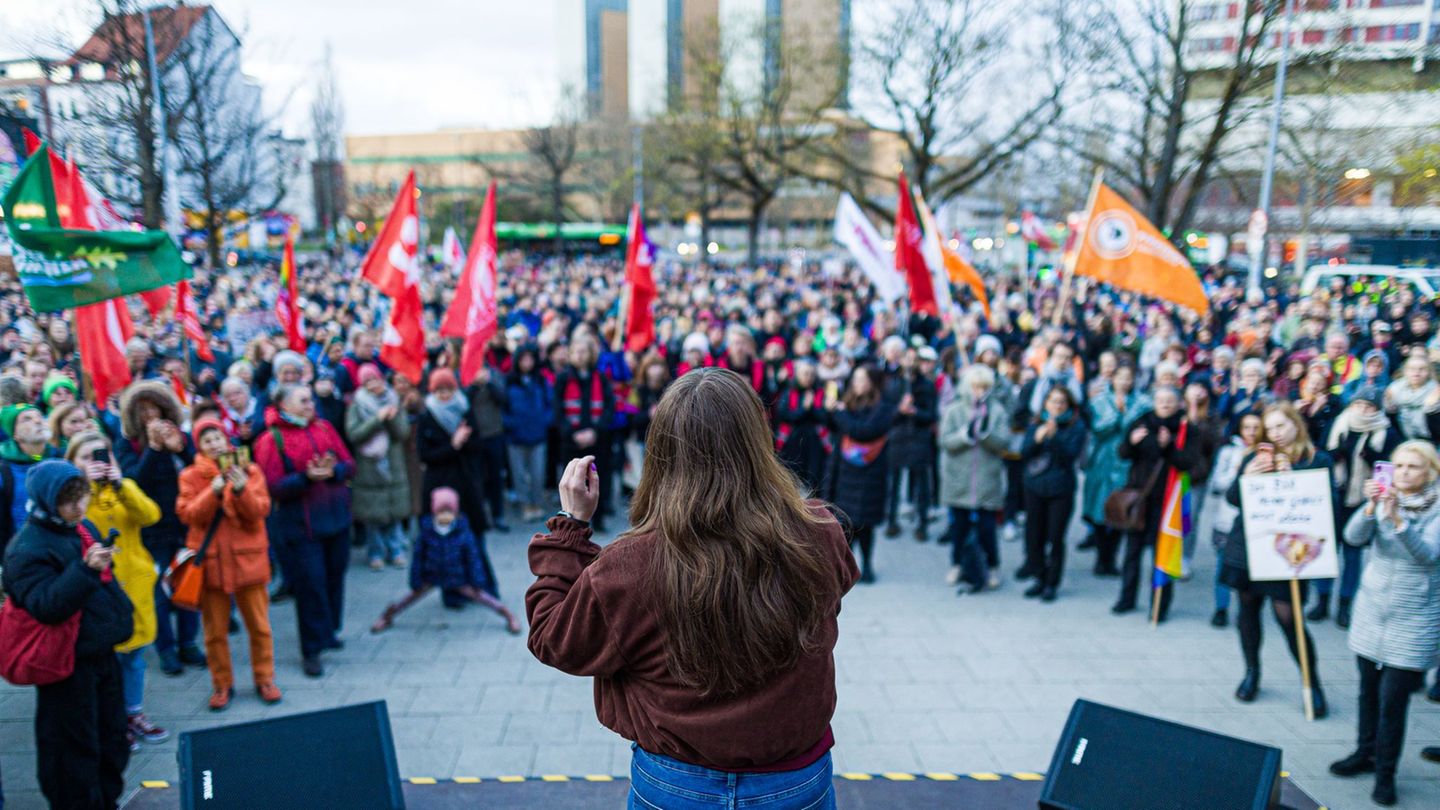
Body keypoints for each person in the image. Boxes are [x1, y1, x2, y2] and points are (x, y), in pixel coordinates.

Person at [526, 368, 856, 810]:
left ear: (662, 453)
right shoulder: (819, 531)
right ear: (758, 443)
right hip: (795, 780)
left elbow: (555, 639)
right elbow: (835, 590)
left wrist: (571, 526)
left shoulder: (629, 567)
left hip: (678, 783)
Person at [2, 460, 133, 809]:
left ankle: (106, 800)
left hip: (99, 653)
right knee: (72, 751)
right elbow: (46, 606)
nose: (79, 507)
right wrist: (85, 570)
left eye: (82, 496)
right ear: (48, 500)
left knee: (112, 738)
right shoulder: (26, 548)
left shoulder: (80, 527)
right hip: (65, 665)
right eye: (68, 500)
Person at [1329, 440, 1440, 807]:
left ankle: (1385, 773)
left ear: (1430, 472)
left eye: (1413, 466)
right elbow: (1352, 538)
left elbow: (1429, 556)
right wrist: (1371, 507)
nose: (1404, 472)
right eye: (1399, 465)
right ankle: (1364, 752)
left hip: (1415, 616)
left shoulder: (1436, 508)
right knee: (1368, 691)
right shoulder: (1384, 498)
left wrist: (1398, 521)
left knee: (1393, 700)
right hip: (1373, 610)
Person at [1219, 402, 1332, 718]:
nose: (1276, 434)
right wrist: (1247, 476)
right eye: (1269, 429)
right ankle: (1251, 672)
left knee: (1289, 617)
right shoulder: (1255, 457)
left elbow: (1324, 506)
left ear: (1296, 424)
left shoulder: (1316, 459)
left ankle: (1311, 683)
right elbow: (1232, 499)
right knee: (1247, 610)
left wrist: (1292, 478)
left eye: (1281, 426)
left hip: (1288, 553)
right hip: (1250, 546)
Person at [64, 430, 167, 752]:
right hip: (99, 591)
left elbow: (151, 515)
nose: (97, 462)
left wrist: (120, 484)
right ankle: (112, 723)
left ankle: (134, 713)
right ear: (72, 463)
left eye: (102, 455)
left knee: (135, 657)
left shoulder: (125, 487)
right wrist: (87, 485)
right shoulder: (72, 498)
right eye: (87, 457)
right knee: (106, 665)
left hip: (135, 585)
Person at [176, 416, 281, 710]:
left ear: (227, 439)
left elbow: (260, 510)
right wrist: (213, 491)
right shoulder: (190, 476)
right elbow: (188, 514)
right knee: (214, 632)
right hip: (211, 564)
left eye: (218, 438)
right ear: (199, 446)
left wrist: (240, 490)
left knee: (260, 627)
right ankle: (221, 684)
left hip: (248, 561)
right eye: (207, 440)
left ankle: (265, 679)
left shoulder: (250, 470)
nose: (214, 444)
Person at [254, 383, 355, 678]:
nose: (311, 404)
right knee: (311, 585)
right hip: (301, 526)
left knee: (335, 576)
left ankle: (329, 631)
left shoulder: (324, 428)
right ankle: (311, 649)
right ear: (284, 406)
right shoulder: (271, 440)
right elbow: (272, 486)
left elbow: (350, 464)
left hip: (336, 517)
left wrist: (334, 471)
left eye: (311, 400)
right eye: (304, 400)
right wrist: (306, 478)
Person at [115, 381, 203, 677]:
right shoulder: (127, 444)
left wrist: (182, 449)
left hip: (184, 524)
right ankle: (166, 648)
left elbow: (199, 471)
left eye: (155, 408)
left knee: (188, 582)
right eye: (143, 410)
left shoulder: (181, 436)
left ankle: (188, 642)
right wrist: (153, 449)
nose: (150, 416)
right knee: (159, 592)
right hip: (151, 530)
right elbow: (133, 483)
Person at [370, 487, 521, 634]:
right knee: (409, 598)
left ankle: (507, 614)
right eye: (441, 511)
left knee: (483, 597)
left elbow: (473, 558)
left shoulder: (463, 531)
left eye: (449, 511)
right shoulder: (427, 531)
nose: (445, 515)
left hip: (458, 577)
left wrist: (476, 581)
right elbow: (418, 558)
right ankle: (388, 615)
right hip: (432, 576)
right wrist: (416, 579)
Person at [1315, 385, 1400, 627]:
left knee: (1352, 554)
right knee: (1327, 551)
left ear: (1377, 409)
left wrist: (1371, 457)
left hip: (1362, 501)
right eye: (1358, 404)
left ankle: (1345, 604)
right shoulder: (1339, 423)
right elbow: (1321, 453)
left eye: (1369, 406)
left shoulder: (1387, 432)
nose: (1362, 410)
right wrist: (1335, 454)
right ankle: (1322, 600)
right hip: (1333, 496)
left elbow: (1390, 467)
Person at [1112, 387, 1200, 621]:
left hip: (1168, 502)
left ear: (1179, 403)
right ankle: (1126, 599)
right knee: (1132, 552)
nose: (1165, 404)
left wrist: (1168, 447)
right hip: (1139, 500)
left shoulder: (1186, 429)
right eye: (1160, 400)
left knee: (1161, 555)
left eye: (1170, 400)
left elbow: (1188, 462)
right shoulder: (1141, 422)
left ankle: (1159, 606)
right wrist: (1131, 442)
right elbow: (1122, 453)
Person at [416, 368, 501, 603]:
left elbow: (478, 446)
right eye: (439, 390)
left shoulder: (465, 409)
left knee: (474, 537)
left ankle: (483, 585)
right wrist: (453, 444)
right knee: (445, 540)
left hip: (466, 484)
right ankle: (452, 592)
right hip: (440, 487)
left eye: (448, 389)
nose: (444, 394)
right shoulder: (427, 416)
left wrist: (465, 441)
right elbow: (425, 455)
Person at [939, 363, 1010, 593]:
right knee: (958, 527)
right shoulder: (954, 410)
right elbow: (944, 441)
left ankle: (993, 565)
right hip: (959, 479)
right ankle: (957, 564)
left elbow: (1004, 443)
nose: (980, 391)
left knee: (987, 528)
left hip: (986, 480)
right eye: (976, 386)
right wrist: (964, 436)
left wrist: (987, 434)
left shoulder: (996, 411)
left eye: (984, 387)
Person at [825, 365, 896, 584]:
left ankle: (867, 565)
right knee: (845, 522)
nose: (856, 383)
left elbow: (862, 431)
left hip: (869, 472)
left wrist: (840, 413)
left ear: (873, 383)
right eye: (855, 379)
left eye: (862, 379)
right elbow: (834, 427)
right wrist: (831, 410)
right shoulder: (848, 403)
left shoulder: (883, 408)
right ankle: (847, 567)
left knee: (865, 524)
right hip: (845, 471)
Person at [1016, 386, 1086, 602]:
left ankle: (1052, 583)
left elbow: (1069, 458)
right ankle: (1039, 576)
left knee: (1055, 537)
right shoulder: (1036, 423)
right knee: (1034, 535)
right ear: (1045, 403)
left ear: (1068, 405)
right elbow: (1024, 454)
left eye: (1062, 402)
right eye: (1053, 401)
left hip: (1060, 489)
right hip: (1035, 487)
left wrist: (1054, 439)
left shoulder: (1076, 427)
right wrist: (1037, 440)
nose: (1057, 406)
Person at [1081, 363, 1149, 575]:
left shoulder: (1142, 403)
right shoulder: (1099, 401)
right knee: (1100, 509)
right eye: (1121, 377)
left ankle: (1111, 558)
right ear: (1113, 378)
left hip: (1128, 462)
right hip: (1102, 461)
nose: (1125, 382)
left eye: (1129, 378)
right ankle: (1101, 557)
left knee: (1121, 508)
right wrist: (1117, 415)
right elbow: (1098, 429)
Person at [346, 364, 413, 570]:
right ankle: (375, 552)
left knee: (393, 510)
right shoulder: (356, 405)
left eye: (375, 379)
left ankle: (396, 550)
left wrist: (391, 418)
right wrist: (377, 419)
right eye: (368, 381)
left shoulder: (394, 400)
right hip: (369, 466)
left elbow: (402, 433)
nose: (373, 384)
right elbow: (354, 434)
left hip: (393, 463)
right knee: (373, 514)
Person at [1205, 411, 1263, 628]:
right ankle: (1221, 608)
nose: (1251, 432)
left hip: (1257, 521)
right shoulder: (1228, 452)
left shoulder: (1267, 454)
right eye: (1247, 427)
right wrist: (1237, 472)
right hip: (1228, 520)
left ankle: (1245, 611)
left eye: (1256, 427)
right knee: (1223, 565)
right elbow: (1216, 484)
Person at [552, 336, 616, 531]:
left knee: (598, 480)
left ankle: (598, 520)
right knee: (572, 481)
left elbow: (609, 408)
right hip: (571, 442)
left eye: (584, 351)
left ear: (591, 354)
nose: (580, 355)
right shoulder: (563, 379)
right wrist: (572, 434)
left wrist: (595, 432)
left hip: (597, 441)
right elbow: (558, 410)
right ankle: (572, 522)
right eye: (576, 351)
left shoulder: (601, 378)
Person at [884, 346, 939, 542]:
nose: (910, 363)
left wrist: (915, 411)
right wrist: (900, 410)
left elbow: (932, 415)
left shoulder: (927, 386)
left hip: (919, 439)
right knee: (894, 483)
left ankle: (922, 524)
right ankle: (891, 521)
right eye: (907, 358)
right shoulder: (893, 385)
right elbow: (886, 415)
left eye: (915, 359)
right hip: (898, 439)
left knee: (922, 485)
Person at [0, 403, 62, 556]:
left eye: (39, 416)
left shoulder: (62, 458)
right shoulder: (4, 470)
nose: (38, 421)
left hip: (63, 549)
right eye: (27, 419)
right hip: (23, 554)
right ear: (15, 435)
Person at [503, 346, 553, 522]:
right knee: (519, 474)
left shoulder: (541, 381)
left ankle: (537, 503)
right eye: (523, 359)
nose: (527, 363)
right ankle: (525, 504)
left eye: (530, 358)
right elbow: (502, 408)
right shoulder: (509, 382)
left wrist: (543, 422)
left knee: (538, 472)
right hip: (515, 437)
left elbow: (550, 405)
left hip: (538, 435)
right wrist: (511, 424)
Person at [775, 359, 831, 494]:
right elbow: (784, 415)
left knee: (813, 475)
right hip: (793, 440)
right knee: (792, 474)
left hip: (814, 440)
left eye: (811, 374)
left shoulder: (820, 393)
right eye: (805, 374)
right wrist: (804, 409)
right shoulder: (789, 392)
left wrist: (812, 408)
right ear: (797, 375)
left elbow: (825, 417)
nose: (808, 377)